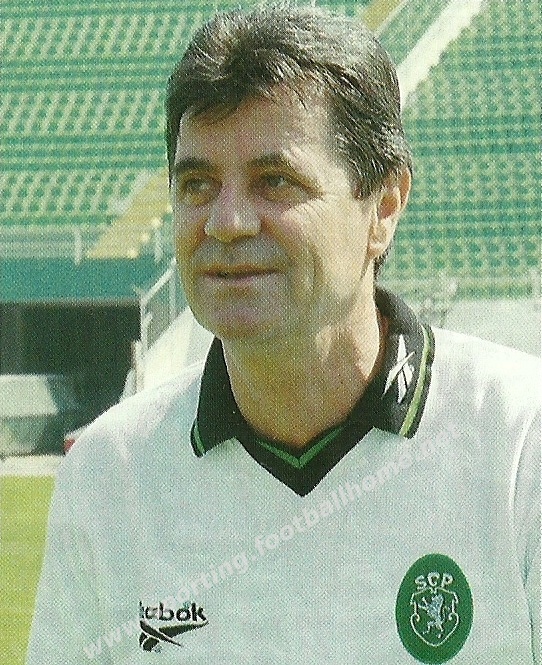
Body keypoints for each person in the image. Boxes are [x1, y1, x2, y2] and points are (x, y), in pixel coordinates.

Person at [27, 4, 539, 664]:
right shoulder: (106, 477)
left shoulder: (521, 441)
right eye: (198, 184)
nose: (227, 221)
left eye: (275, 181)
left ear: (383, 207)